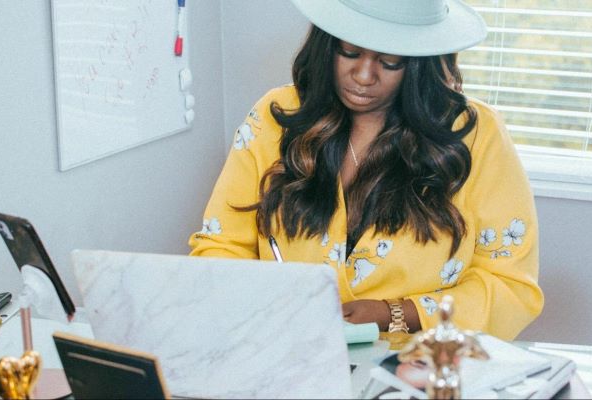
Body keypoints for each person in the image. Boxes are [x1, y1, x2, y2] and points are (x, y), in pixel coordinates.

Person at [189, 0, 544, 340]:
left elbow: (510, 286)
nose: (363, 75)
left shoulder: (474, 135)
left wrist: (397, 313)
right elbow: (220, 248)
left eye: (389, 62)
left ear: (421, 61)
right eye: (349, 51)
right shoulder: (275, 117)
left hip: (416, 369)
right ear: (327, 43)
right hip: (286, 353)